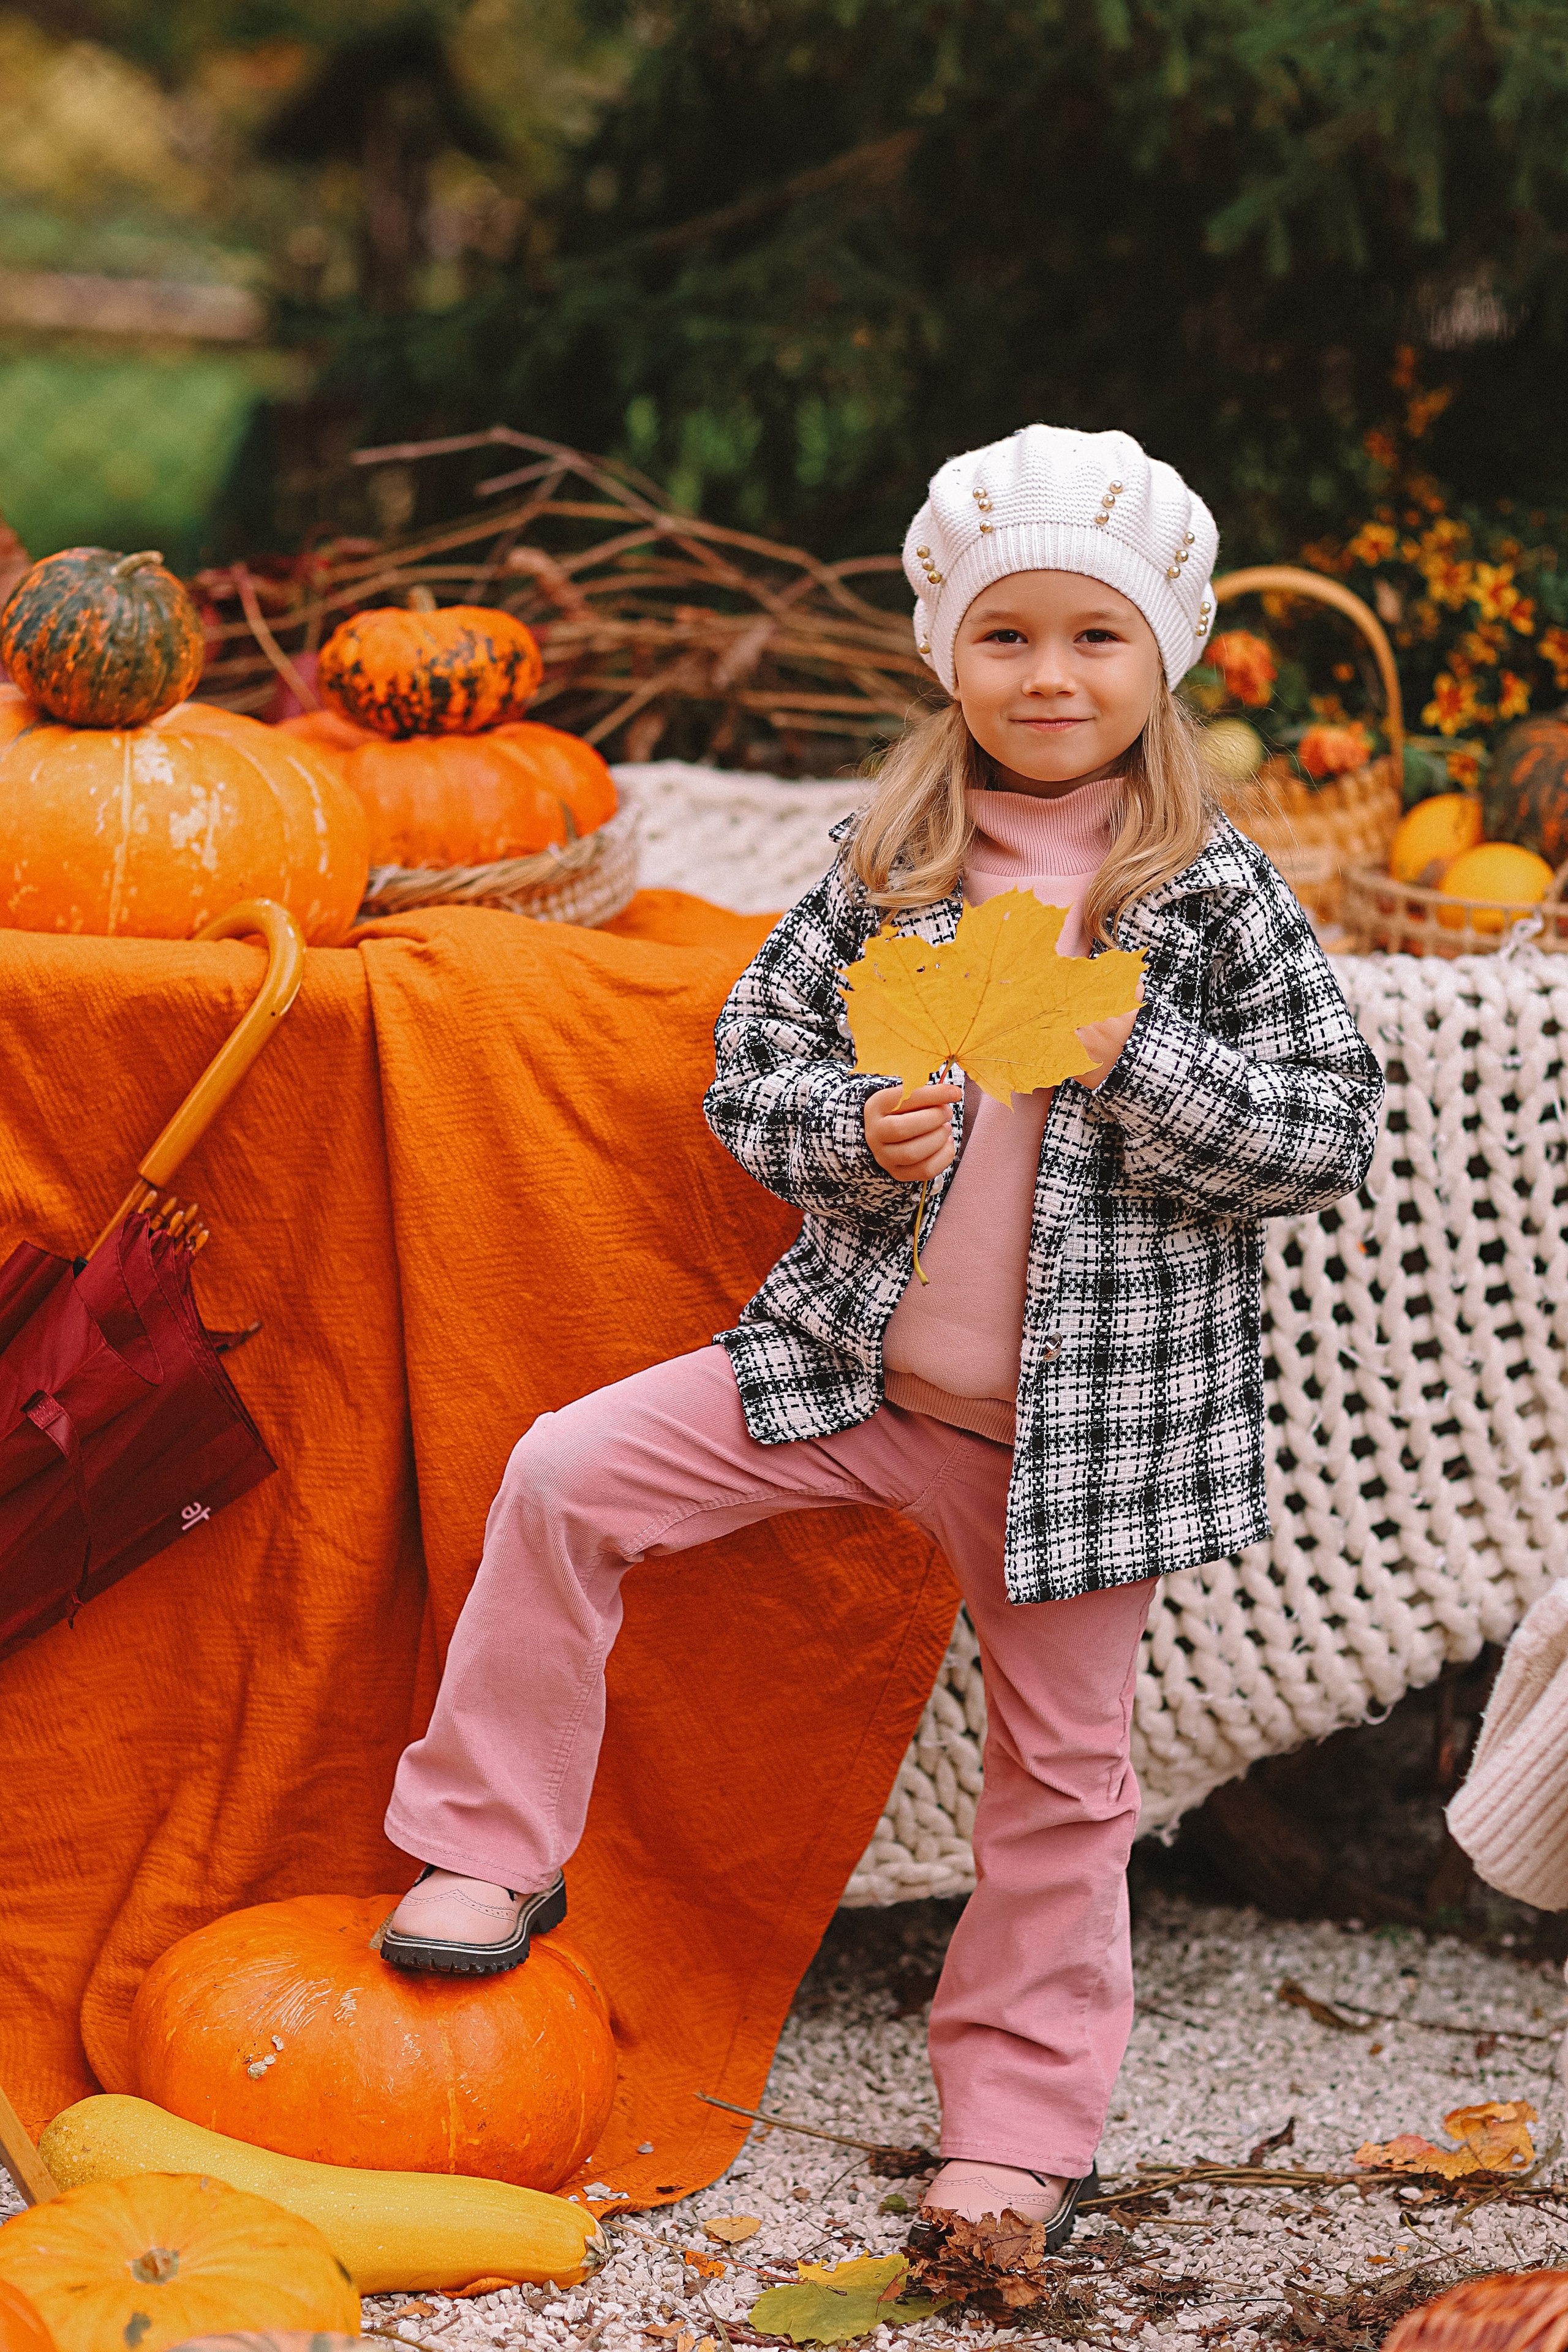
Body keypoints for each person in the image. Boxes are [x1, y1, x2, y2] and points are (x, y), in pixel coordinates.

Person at [377, 424, 1384, 2248]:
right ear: (949, 657)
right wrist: (856, 1129)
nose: (1051, 674)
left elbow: (1327, 1131)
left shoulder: (1206, 893)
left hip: (1075, 1448)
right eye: (1008, 638)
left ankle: (1013, 2132)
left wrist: (1122, 1053)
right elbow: (753, 1074)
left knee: (1065, 1783)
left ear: (1162, 653)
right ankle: (485, 1840)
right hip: (853, 1375)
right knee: (565, 1473)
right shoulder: (890, 857)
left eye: (1095, 635)